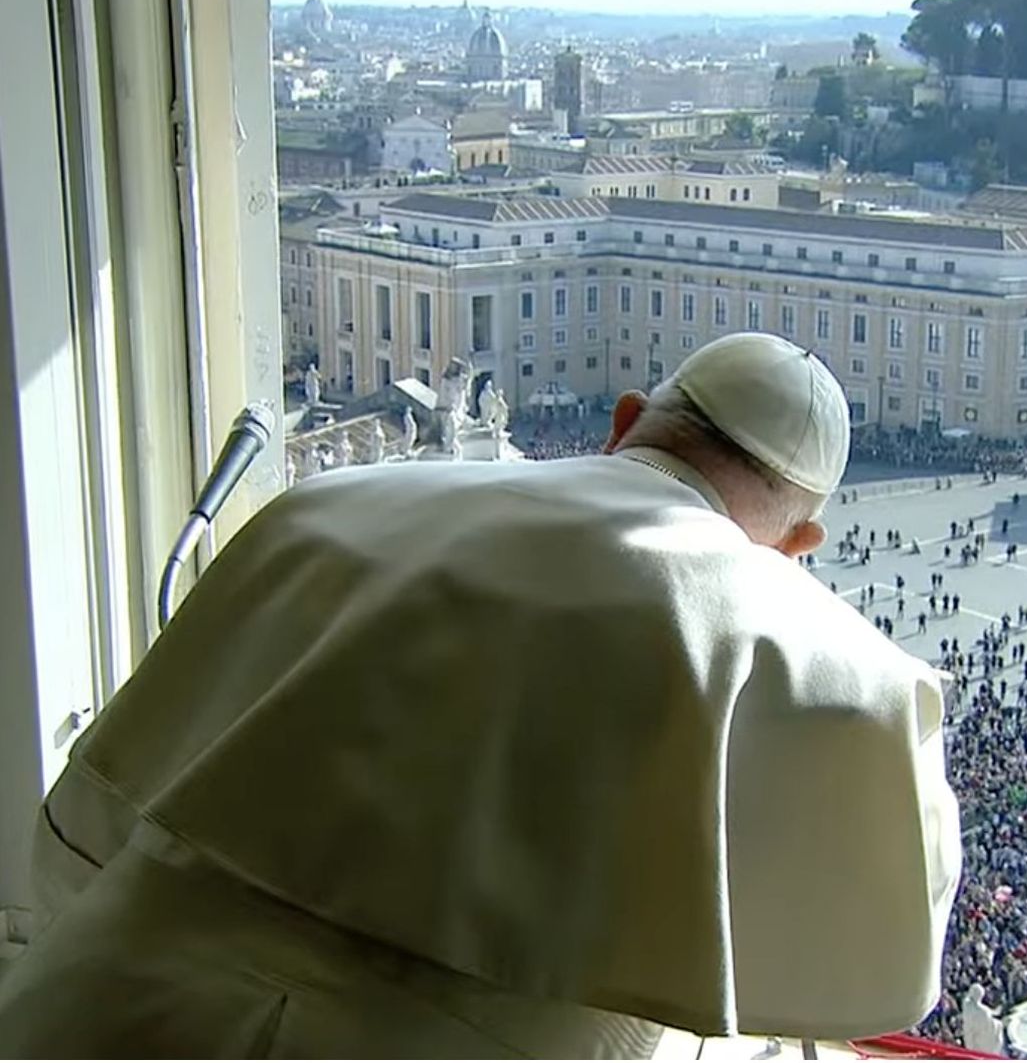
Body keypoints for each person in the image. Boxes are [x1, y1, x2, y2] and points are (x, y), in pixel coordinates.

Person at [0, 333, 962, 1057]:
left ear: (626, 421)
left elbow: (82, 836)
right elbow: (881, 969)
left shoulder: (329, 511)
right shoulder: (849, 678)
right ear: (802, 548)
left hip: (94, 1009)